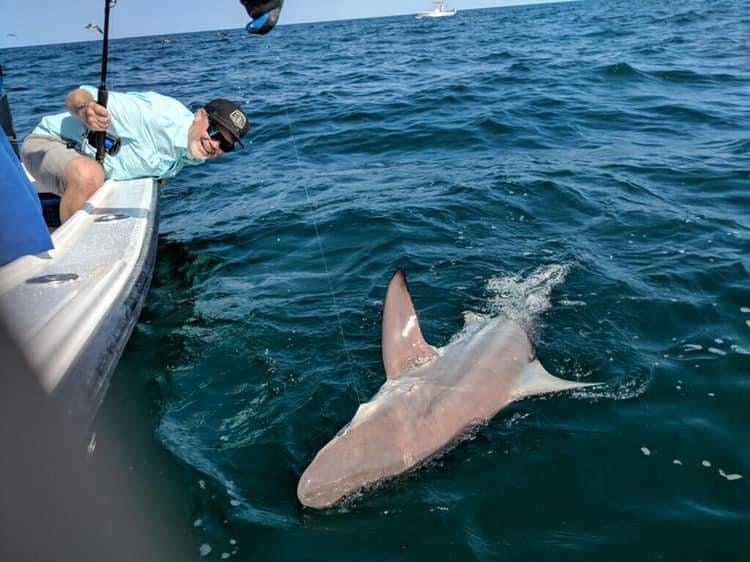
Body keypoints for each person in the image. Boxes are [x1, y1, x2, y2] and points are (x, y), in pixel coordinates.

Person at [20, 86, 250, 223]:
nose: (215, 145)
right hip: (48, 143)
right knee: (89, 174)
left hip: (91, 167)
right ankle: (74, 260)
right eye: (214, 132)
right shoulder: (154, 115)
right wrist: (86, 109)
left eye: (226, 146)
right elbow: (78, 95)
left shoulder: (194, 149)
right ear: (199, 115)